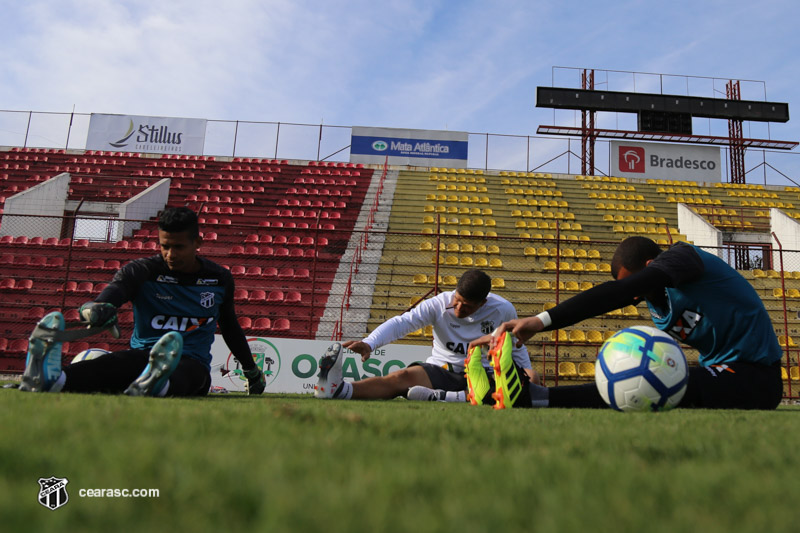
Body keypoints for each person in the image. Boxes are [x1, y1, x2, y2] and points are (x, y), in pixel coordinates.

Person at [467, 236, 784, 410]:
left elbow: (619, 293)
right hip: (723, 373)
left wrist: (540, 321)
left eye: (634, 285)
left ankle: (532, 398)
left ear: (650, 266)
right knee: (646, 382)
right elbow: (625, 291)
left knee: (658, 383)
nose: (634, 299)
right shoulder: (657, 300)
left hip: (757, 377)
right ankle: (522, 394)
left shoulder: (683, 258)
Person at [19, 207, 265, 397]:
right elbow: (111, 295)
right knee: (113, 364)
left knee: (191, 376)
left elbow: (230, 326)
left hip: (192, 362)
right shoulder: (141, 270)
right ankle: (53, 379)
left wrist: (250, 370)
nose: (170, 254)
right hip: (144, 356)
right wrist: (94, 310)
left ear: (197, 243)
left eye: (179, 247)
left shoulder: (218, 278)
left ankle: (158, 384)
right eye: (165, 246)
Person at [313, 268, 534, 403]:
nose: (457, 308)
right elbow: (403, 322)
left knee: (510, 386)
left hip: (484, 375)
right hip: (442, 370)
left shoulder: (503, 310)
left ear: (483, 303)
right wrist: (370, 343)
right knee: (400, 378)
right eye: (456, 300)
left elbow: (515, 346)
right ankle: (340, 390)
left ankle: (445, 398)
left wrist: (527, 372)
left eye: (466, 306)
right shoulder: (438, 304)